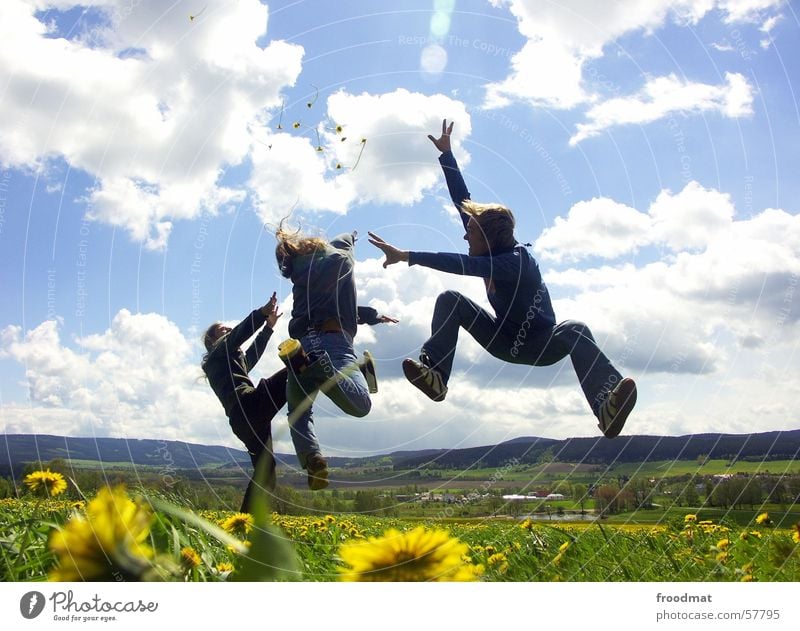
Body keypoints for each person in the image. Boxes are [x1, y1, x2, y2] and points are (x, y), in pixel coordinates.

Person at [368, 119, 637, 439]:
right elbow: (463, 202)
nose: (466, 238)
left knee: (575, 330)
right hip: (502, 339)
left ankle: (606, 406)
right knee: (449, 300)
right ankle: (436, 376)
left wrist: (408, 255)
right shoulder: (487, 246)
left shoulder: (516, 263)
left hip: (540, 346)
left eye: (470, 234)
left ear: (488, 237)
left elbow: (461, 265)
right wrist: (447, 156)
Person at [276, 223, 398, 489]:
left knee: (298, 412)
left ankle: (312, 459)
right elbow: (342, 245)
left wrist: (374, 316)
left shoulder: (301, 274)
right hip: (332, 345)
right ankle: (324, 370)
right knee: (362, 405)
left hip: (302, 344)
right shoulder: (336, 260)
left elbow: (347, 308)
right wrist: (352, 236)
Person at [202, 293, 287, 513]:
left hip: (243, 421)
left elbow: (252, 356)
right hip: (247, 406)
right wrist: (261, 313)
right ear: (212, 341)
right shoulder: (217, 355)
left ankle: (244, 525)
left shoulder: (229, 363)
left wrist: (268, 327)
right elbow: (238, 335)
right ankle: (338, 370)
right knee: (297, 367)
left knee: (266, 474)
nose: (228, 331)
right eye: (223, 330)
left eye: (228, 329)